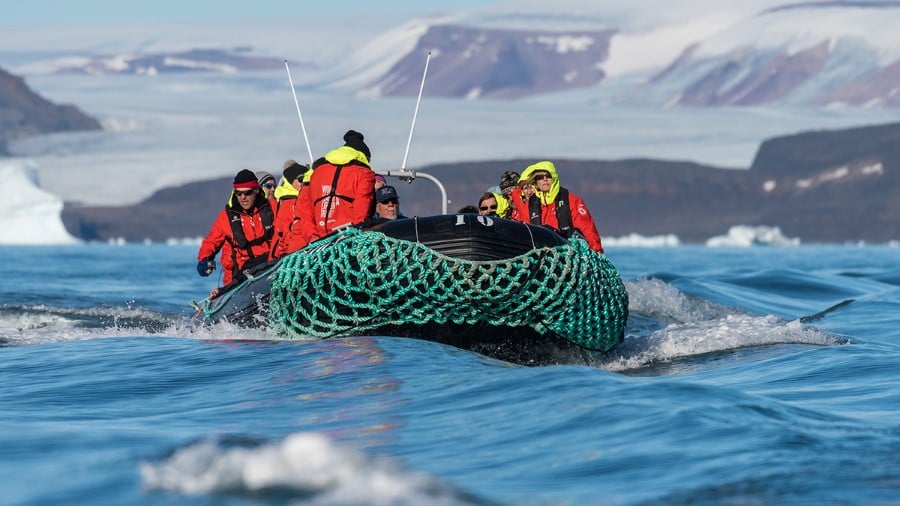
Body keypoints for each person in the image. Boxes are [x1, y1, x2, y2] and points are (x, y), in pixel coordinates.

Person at [197, 169, 277, 298]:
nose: (243, 197)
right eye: (239, 193)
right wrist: (204, 259)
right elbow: (211, 241)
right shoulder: (226, 217)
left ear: (256, 190)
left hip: (271, 265)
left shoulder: (272, 208)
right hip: (243, 274)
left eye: (247, 193)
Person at [297, 130, 376, 244]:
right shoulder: (364, 173)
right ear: (364, 156)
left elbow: (306, 212)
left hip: (320, 242)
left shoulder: (317, 172)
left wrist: (313, 237)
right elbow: (362, 209)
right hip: (347, 239)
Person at [509, 161, 604, 252]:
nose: (545, 179)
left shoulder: (572, 201)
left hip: (570, 253)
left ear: (554, 178)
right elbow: (516, 194)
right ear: (535, 182)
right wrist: (524, 179)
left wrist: (598, 254)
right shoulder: (530, 206)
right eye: (540, 177)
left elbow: (588, 230)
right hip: (543, 256)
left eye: (548, 176)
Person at [270, 160, 309, 259]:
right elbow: (281, 235)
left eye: (306, 177)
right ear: (291, 182)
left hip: (302, 252)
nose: (304, 181)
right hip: (297, 255)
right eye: (301, 179)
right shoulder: (289, 203)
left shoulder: (304, 196)